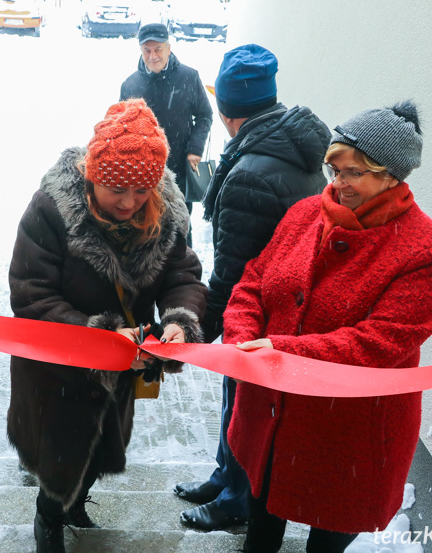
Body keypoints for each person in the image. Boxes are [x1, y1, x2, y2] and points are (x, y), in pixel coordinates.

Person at [223, 101, 432, 553]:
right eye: (334, 170)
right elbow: (253, 281)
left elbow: (380, 342)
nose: (339, 184)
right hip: (272, 413)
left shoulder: (426, 249)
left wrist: (282, 353)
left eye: (353, 173)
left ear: (392, 175)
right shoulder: (305, 214)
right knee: (261, 521)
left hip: (349, 431)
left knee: (327, 537)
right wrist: (241, 337)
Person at [7, 99, 207, 553]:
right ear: (92, 174)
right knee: (57, 455)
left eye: (141, 192)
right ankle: (49, 519)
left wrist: (179, 321)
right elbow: (30, 291)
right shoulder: (51, 210)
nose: (129, 202)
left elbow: (183, 278)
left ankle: (77, 499)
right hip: (57, 367)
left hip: (119, 366)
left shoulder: (168, 217)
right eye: (117, 189)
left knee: (96, 448)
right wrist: (97, 333)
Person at [174, 44, 330, 532]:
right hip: (289, 302)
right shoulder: (292, 147)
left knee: (245, 405)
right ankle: (227, 477)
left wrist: (197, 331)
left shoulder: (250, 173)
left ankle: (237, 500)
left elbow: (234, 271)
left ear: (225, 111)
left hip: (259, 311)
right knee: (242, 403)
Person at [119, 22, 212, 246]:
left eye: (158, 49)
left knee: (180, 228)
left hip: (179, 166)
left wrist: (194, 150)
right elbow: (121, 127)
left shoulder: (189, 78)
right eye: (146, 50)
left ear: (169, 48)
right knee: (145, 229)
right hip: (144, 173)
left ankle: (185, 272)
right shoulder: (130, 85)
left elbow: (205, 115)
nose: (152, 56)